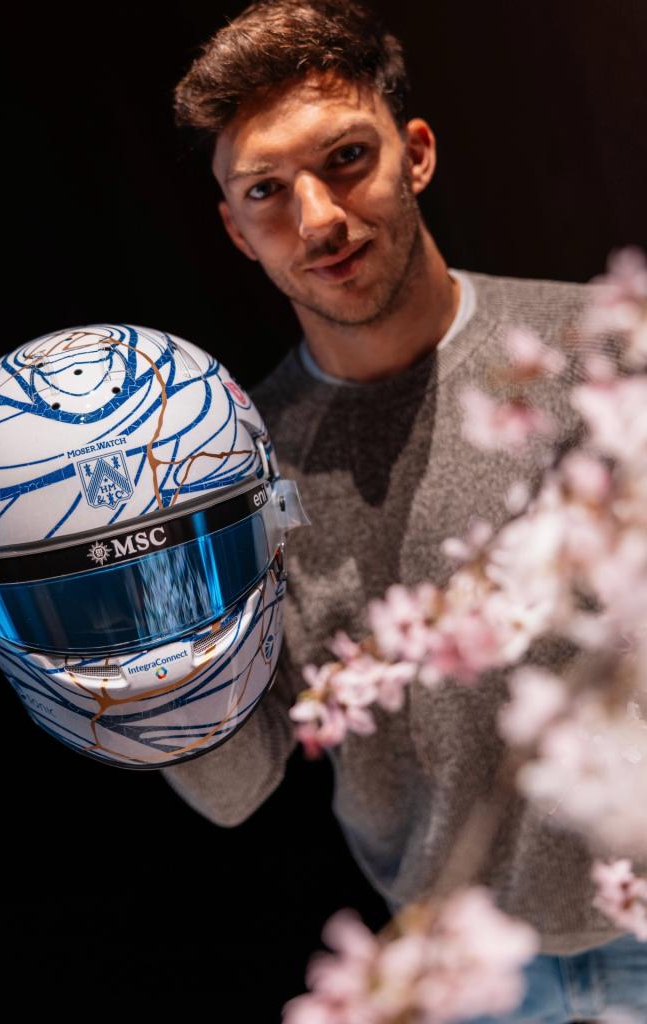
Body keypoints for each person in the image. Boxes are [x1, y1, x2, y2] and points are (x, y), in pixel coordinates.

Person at [160, 2, 647, 1020]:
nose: (319, 220)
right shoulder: (238, 474)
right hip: (462, 981)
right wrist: (131, 639)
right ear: (235, 229)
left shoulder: (602, 351)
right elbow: (232, 790)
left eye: (346, 158)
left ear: (415, 154)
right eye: (266, 191)